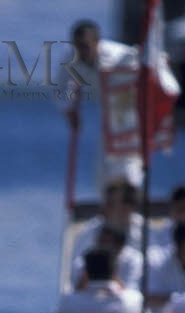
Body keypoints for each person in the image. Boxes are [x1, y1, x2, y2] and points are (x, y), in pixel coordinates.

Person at [59, 20, 141, 192]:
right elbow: (61, 87)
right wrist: (68, 110)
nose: (80, 51)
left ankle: (131, 203)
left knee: (128, 163)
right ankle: (108, 206)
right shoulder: (71, 59)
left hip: (131, 109)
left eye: (85, 46)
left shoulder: (119, 56)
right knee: (104, 165)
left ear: (97, 43)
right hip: (108, 110)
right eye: (76, 46)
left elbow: (144, 65)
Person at [67, 180, 145, 290]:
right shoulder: (89, 232)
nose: (104, 208)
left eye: (110, 203)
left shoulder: (146, 232)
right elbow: (76, 274)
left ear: (127, 208)